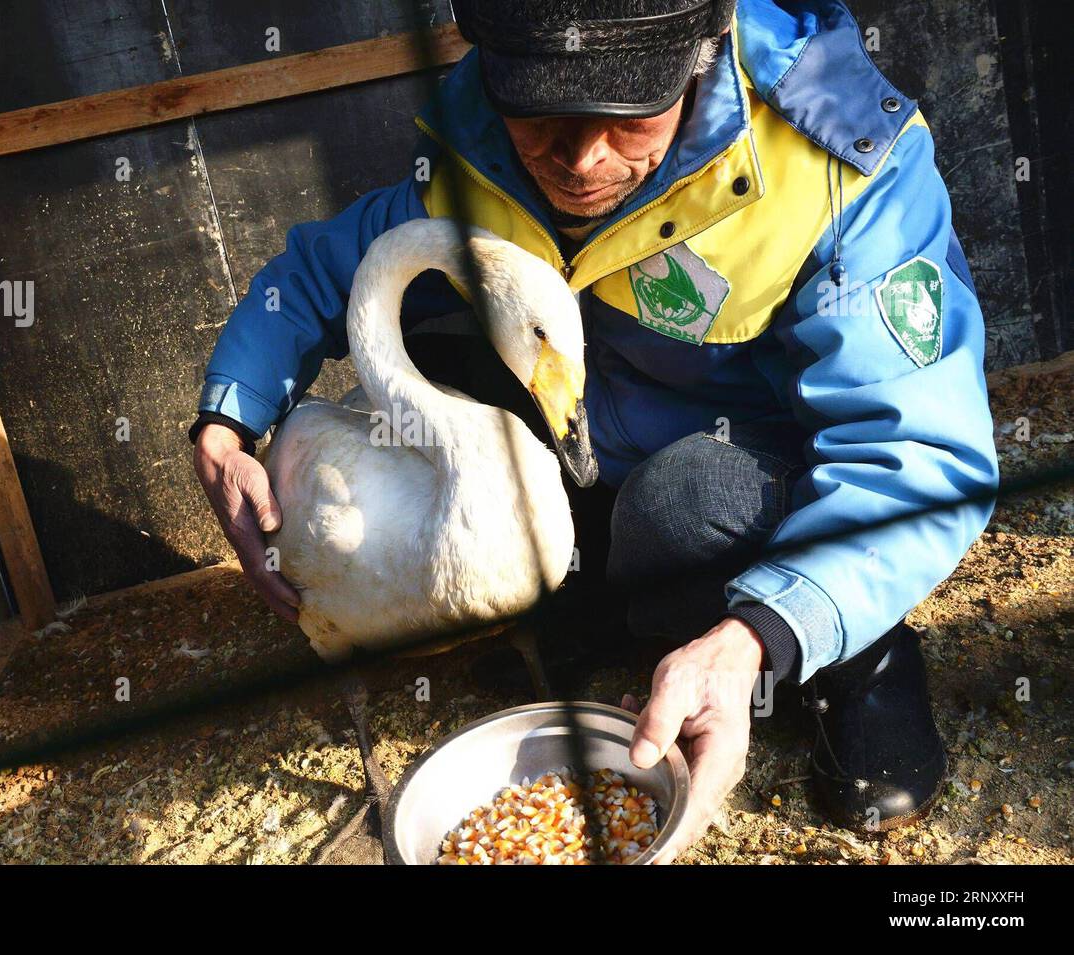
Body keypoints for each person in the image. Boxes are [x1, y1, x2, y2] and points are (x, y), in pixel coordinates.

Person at [190, 0, 999, 860]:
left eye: (622, 116)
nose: (579, 161)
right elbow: (326, 270)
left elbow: (917, 455)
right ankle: (624, 608)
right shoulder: (480, 145)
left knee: (682, 504)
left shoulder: (840, 168)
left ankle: (845, 643)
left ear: (701, 50)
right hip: (588, 452)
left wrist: (756, 637)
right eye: (542, 112)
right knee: (457, 378)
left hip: (753, 483)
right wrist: (227, 419)